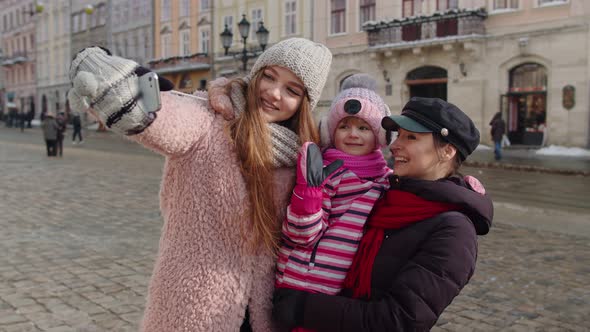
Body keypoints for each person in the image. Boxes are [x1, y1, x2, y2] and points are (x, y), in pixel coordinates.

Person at [67, 38, 332, 331]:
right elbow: (163, 120)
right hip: (193, 308)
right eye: (268, 76)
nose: (272, 92)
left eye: (291, 90)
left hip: (261, 314)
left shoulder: (299, 156)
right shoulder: (209, 119)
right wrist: (118, 88)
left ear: (304, 104)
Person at [272, 97, 493, 331]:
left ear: (447, 151)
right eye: (398, 135)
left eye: (411, 137)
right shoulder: (385, 194)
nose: (395, 145)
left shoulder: (454, 231)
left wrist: (302, 307)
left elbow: (400, 320)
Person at [275, 76, 392, 332]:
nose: (353, 134)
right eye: (344, 126)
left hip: (343, 294)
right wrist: (309, 192)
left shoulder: (387, 180)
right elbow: (300, 234)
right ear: (330, 130)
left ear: (380, 136)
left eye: (363, 128)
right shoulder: (325, 172)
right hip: (303, 284)